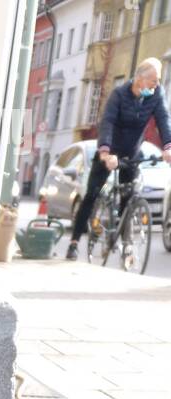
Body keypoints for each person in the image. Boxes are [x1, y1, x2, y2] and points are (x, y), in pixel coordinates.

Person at [66, 58, 171, 260]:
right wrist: (105, 152)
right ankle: (74, 242)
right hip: (110, 151)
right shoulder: (119, 94)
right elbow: (108, 122)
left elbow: (164, 119)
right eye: (154, 80)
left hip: (131, 152)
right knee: (92, 195)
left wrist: (168, 146)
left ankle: (127, 244)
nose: (157, 84)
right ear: (140, 78)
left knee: (128, 197)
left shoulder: (156, 95)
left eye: (158, 81)